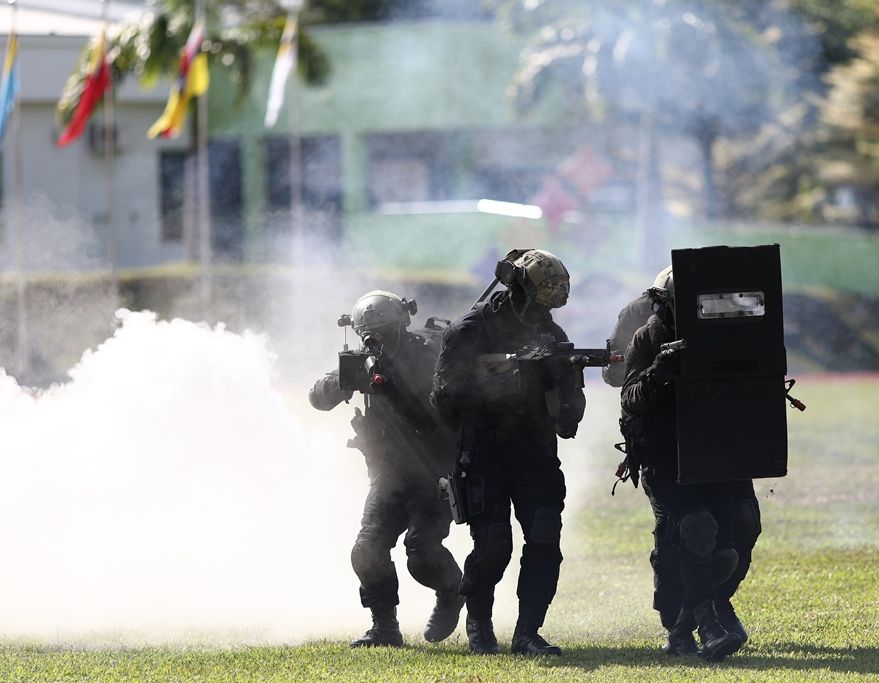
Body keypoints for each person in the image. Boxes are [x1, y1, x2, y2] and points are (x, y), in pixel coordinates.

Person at [431, 248, 585, 656]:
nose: (542, 314)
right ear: (517, 290)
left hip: (535, 452)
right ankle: (479, 623)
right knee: (494, 544)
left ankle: (528, 631)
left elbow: (570, 408)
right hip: (485, 452)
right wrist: (502, 381)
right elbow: (443, 401)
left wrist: (562, 392)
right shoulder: (469, 331)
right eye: (537, 303)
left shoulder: (551, 335)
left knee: (545, 536)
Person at [611, 268, 761, 650]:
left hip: (714, 455)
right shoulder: (646, 338)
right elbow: (630, 399)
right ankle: (708, 627)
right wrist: (658, 372)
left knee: (726, 549)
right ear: (665, 305)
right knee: (696, 526)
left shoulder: (723, 337)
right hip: (664, 459)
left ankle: (684, 628)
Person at [309, 290, 464, 648]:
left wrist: (399, 383)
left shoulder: (430, 352)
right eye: (369, 335)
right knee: (367, 548)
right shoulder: (364, 362)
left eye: (384, 332)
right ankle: (384, 627)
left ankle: (452, 591)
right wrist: (345, 379)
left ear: (401, 325)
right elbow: (317, 397)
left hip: (433, 472)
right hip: (389, 474)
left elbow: (447, 405)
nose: (376, 341)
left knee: (421, 554)